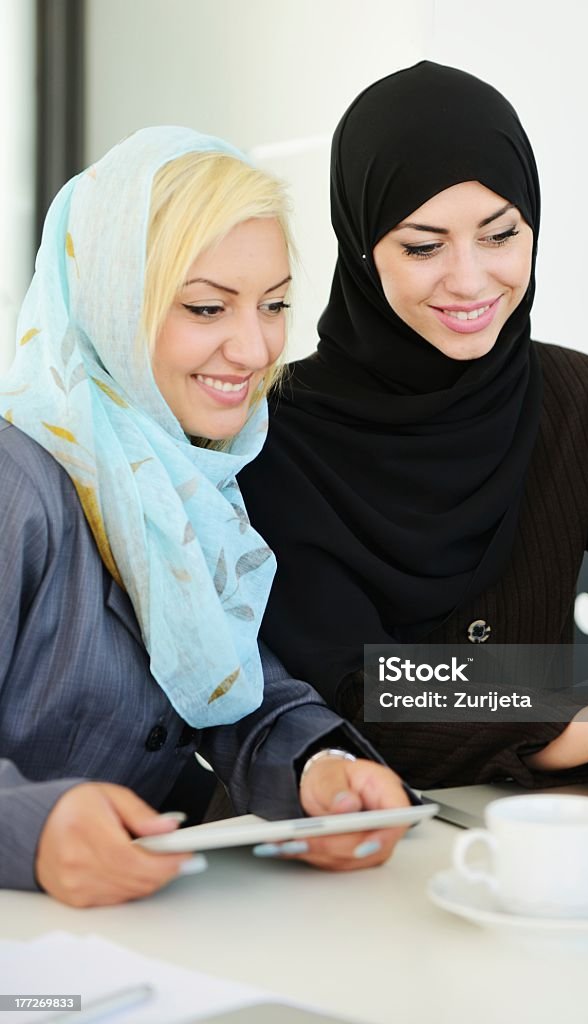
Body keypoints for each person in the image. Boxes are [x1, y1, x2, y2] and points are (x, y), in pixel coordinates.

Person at [238, 62, 588, 790]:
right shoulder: (271, 437)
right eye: (424, 246)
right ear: (361, 248)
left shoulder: (581, 399)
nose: (470, 280)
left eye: (501, 235)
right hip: (353, 838)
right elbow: (357, 682)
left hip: (543, 835)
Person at [0, 126, 409, 907]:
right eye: (205, 306)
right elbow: (377, 678)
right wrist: (36, 826)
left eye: (275, 305)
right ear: (114, 302)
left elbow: (229, 685)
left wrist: (321, 768)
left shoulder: (189, 471)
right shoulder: (26, 482)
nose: (255, 349)